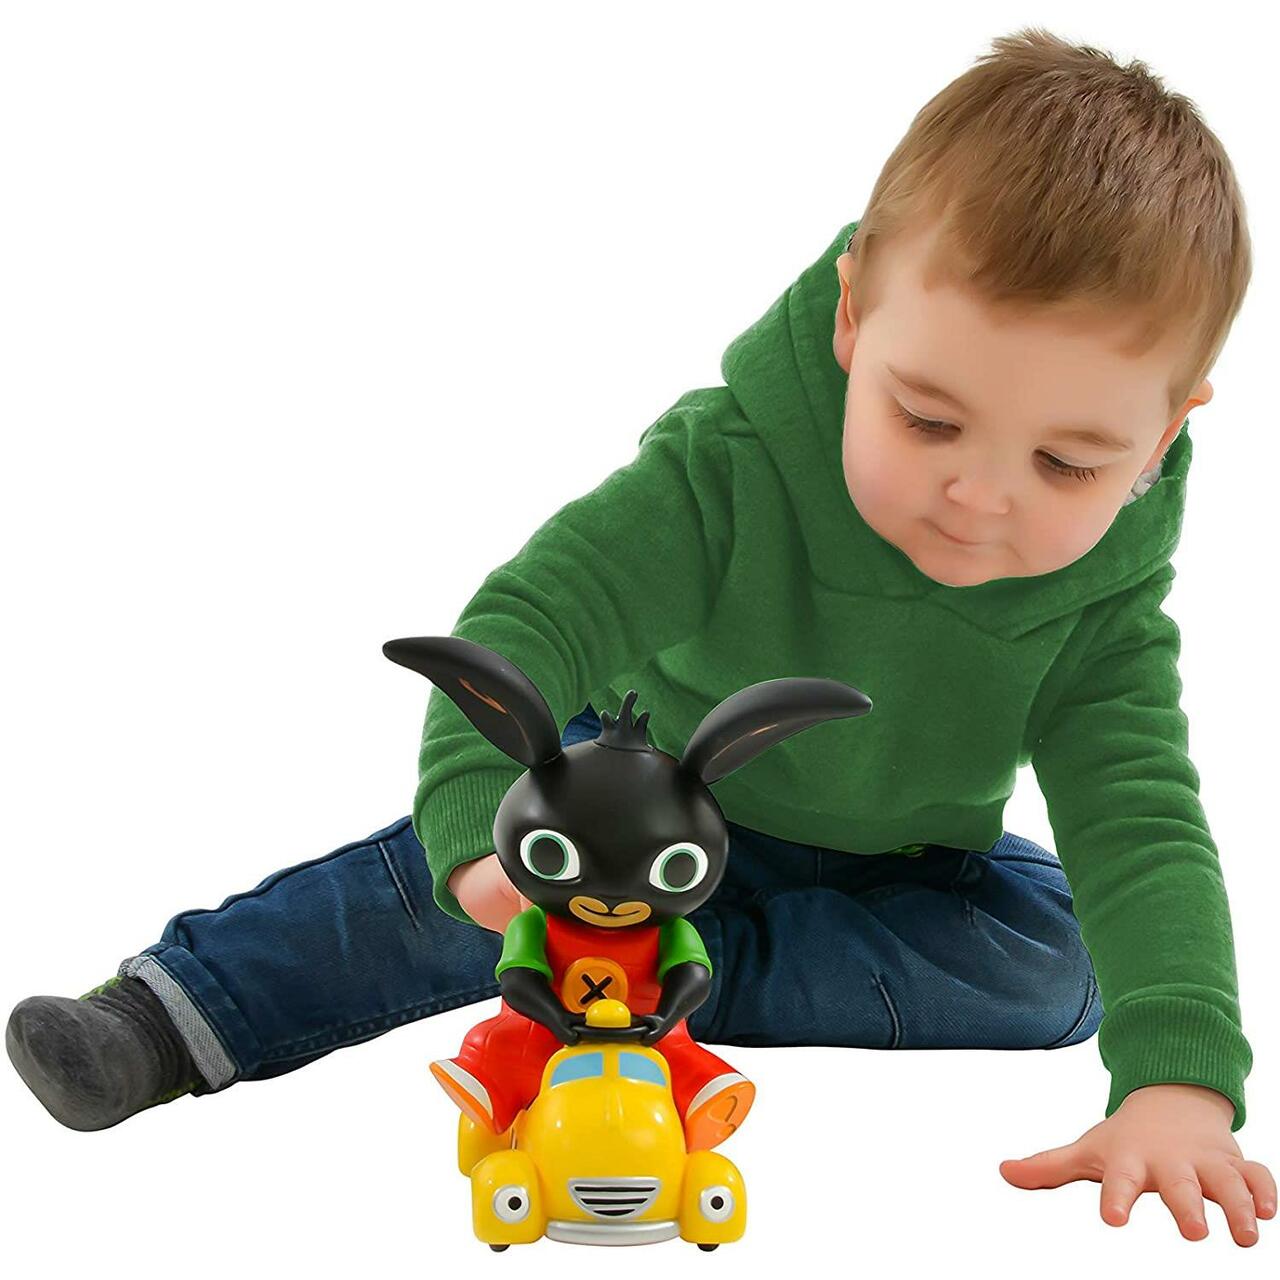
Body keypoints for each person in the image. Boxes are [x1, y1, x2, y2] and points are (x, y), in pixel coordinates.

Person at [7, 26, 1274, 1247]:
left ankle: (654, 978)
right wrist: (478, 826)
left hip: (898, 869)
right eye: (928, 421)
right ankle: (170, 1018)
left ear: (1161, 433)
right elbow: (532, 620)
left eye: (1065, 462)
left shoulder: (1101, 607)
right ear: (851, 320)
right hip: (638, 814)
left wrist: (1178, 1085)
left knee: (1060, 964)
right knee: (449, 896)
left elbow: (1139, 826)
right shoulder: (728, 470)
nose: (979, 495)